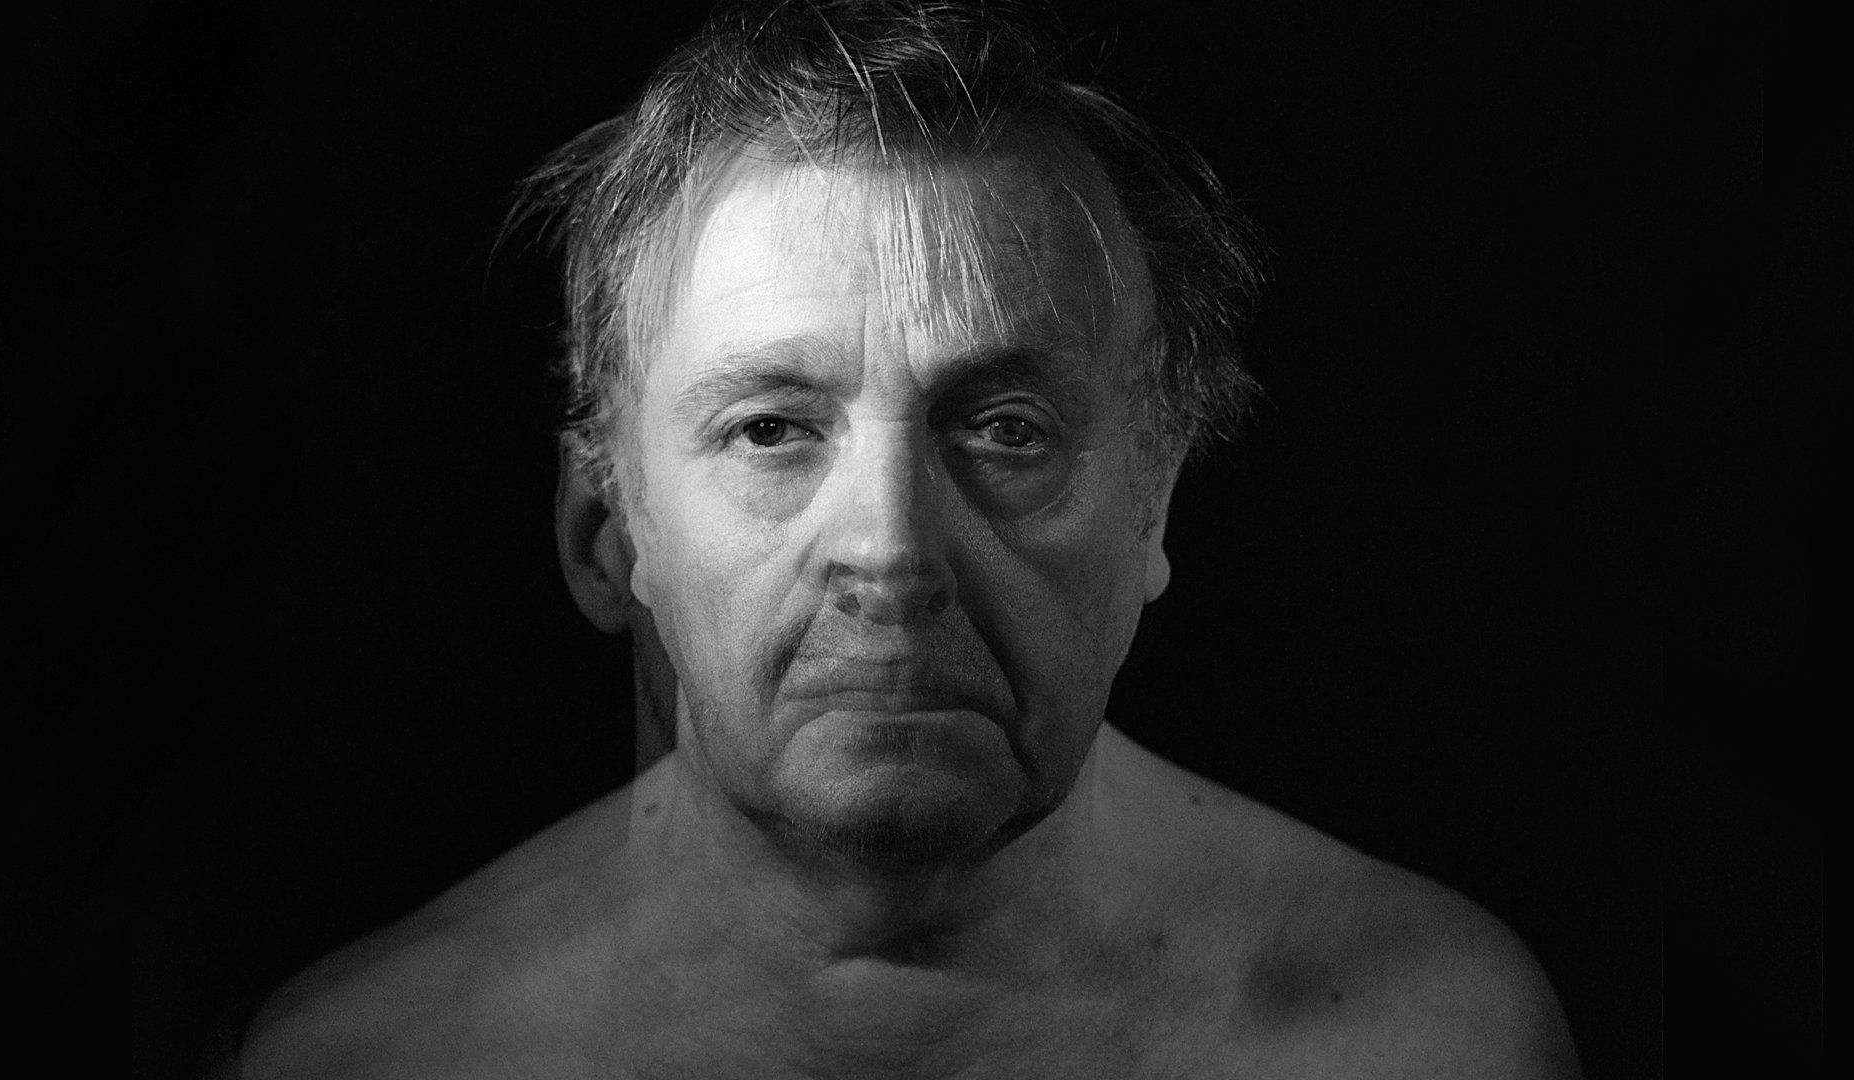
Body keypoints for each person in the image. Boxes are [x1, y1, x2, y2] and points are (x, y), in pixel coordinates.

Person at [236, 1, 1581, 1075]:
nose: (889, 550)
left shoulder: (1426, 1040)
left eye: (1005, 430)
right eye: (771, 430)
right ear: (604, 532)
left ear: (1156, 507)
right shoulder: (373, 1059)